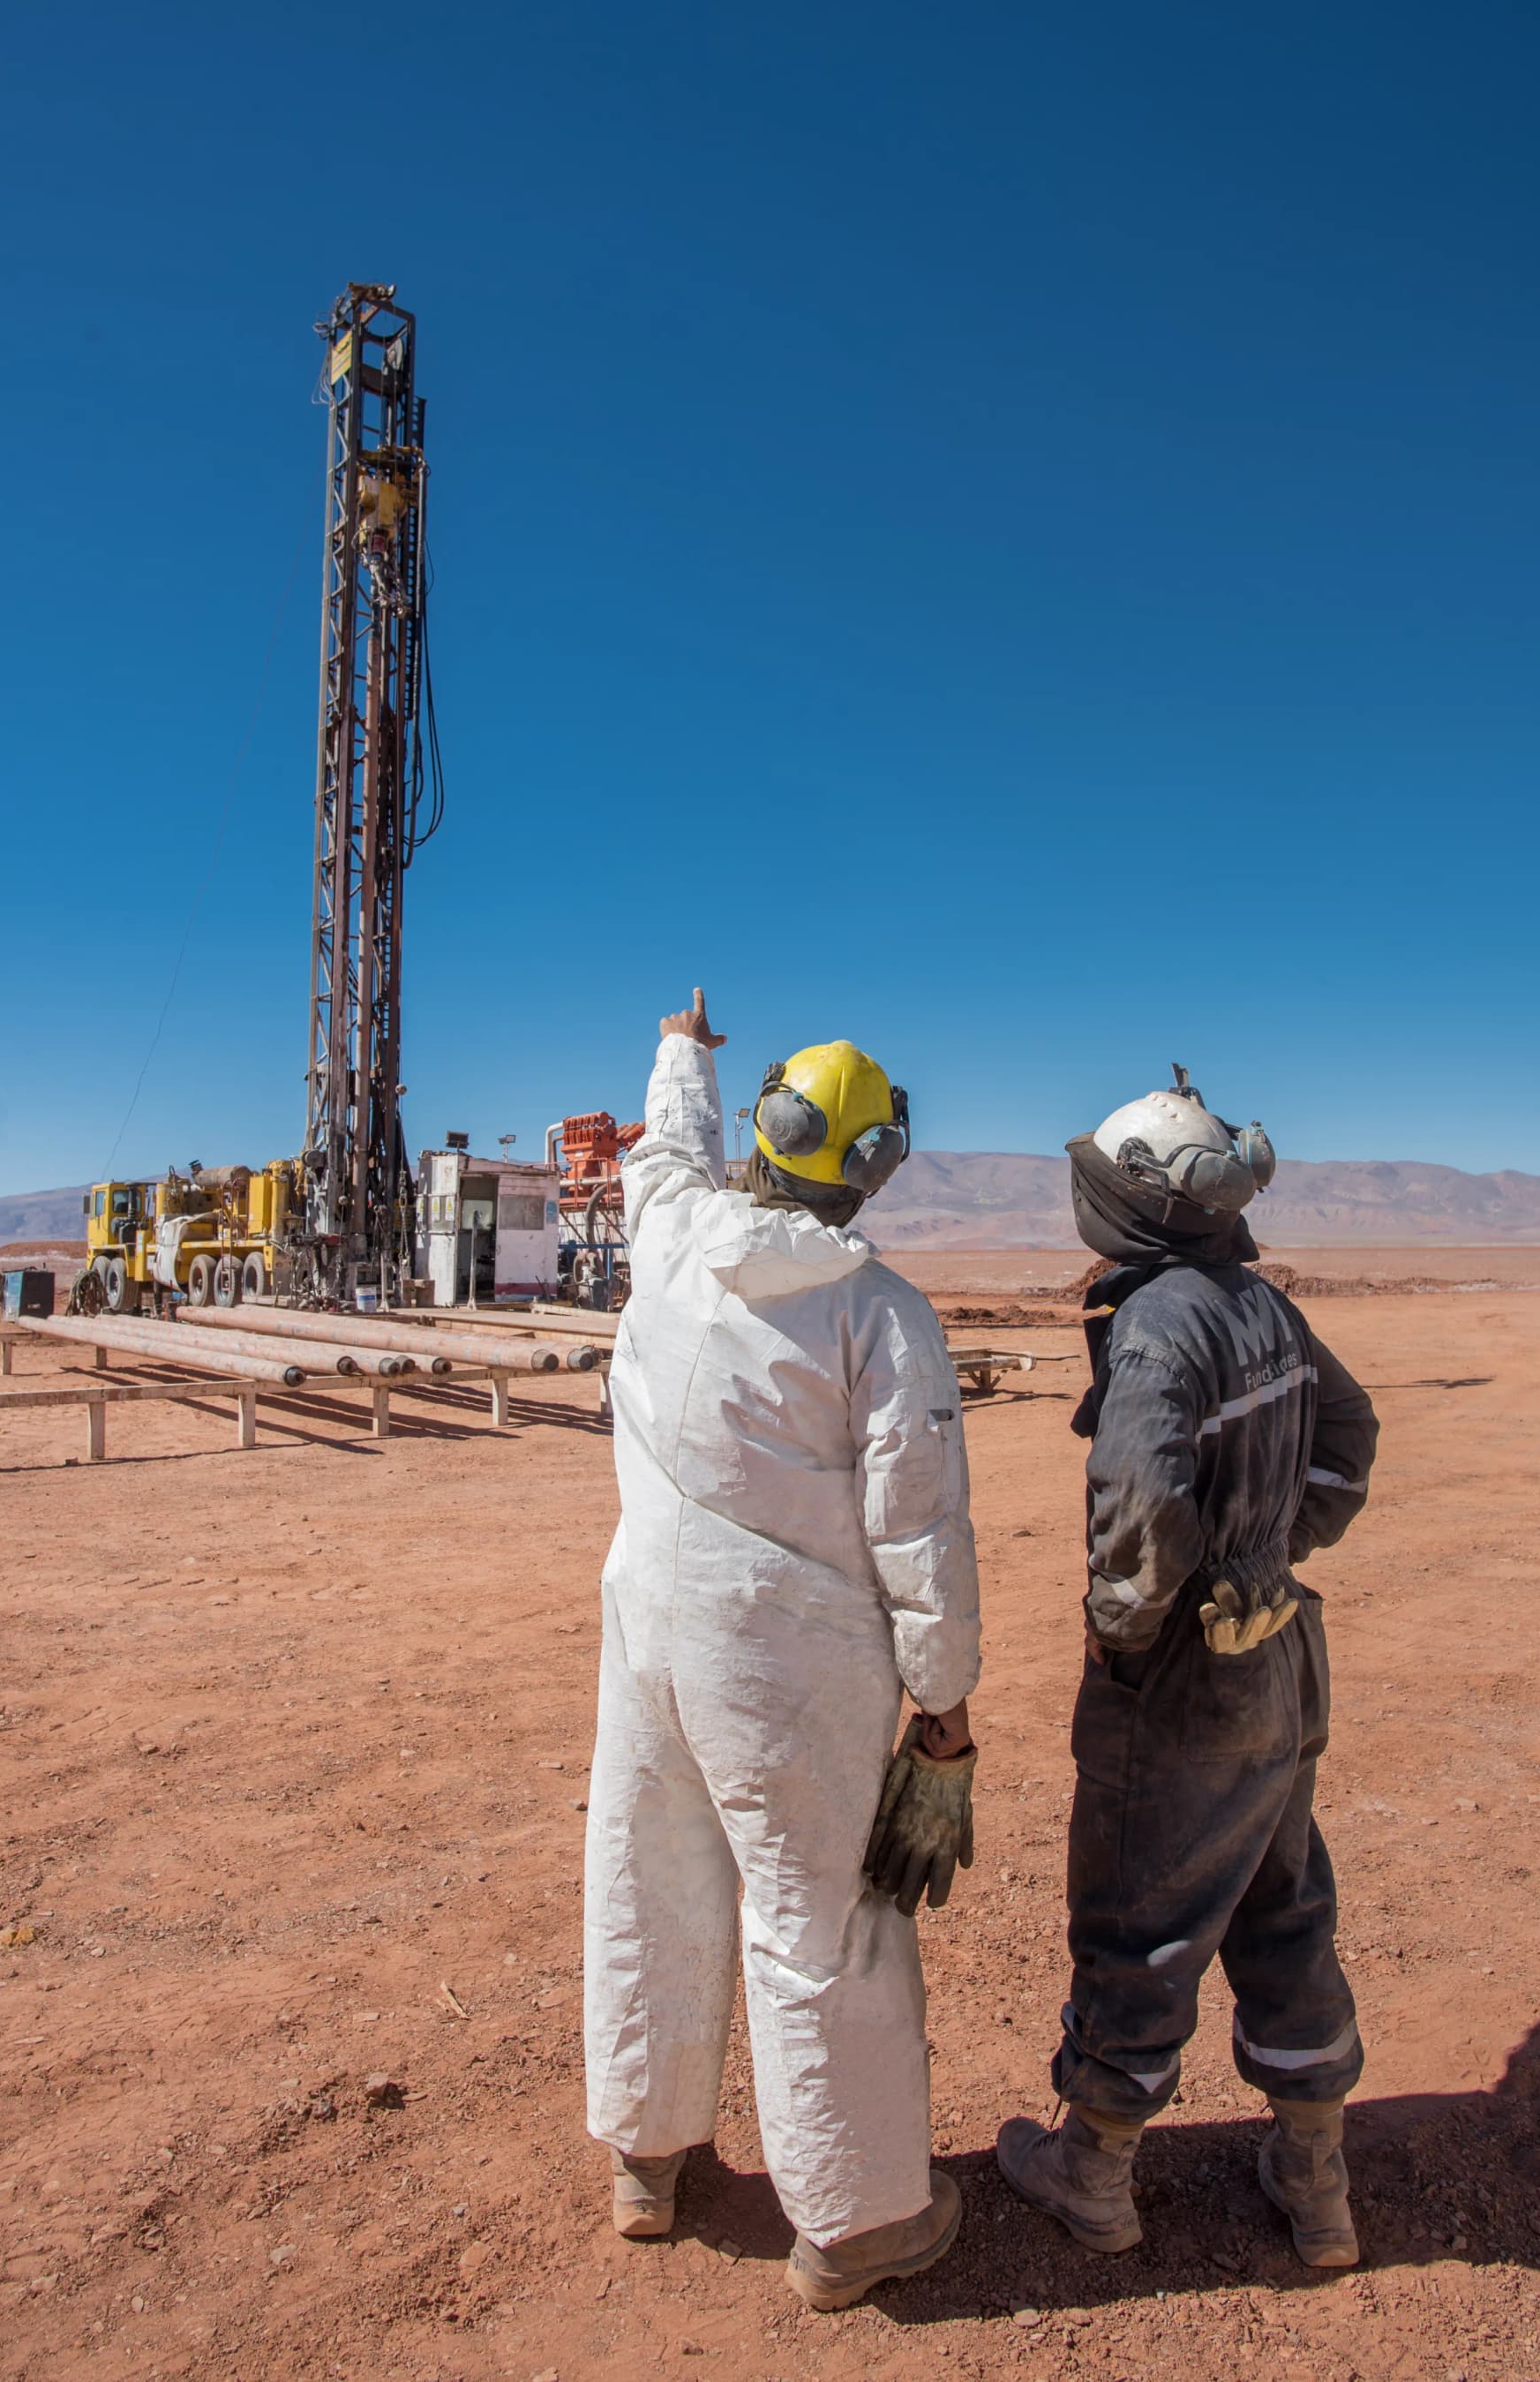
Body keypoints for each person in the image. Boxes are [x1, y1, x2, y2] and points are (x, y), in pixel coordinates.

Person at [583, 991, 982, 2312]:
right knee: (824, 1921)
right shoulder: (879, 1316)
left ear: (763, 1129)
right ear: (876, 1169)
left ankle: (649, 2161)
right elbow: (917, 1529)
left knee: (650, 1875)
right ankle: (857, 2222)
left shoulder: (676, 1235)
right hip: (791, 1659)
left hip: (648, 1624)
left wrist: (680, 1051)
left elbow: (660, 1153)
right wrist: (945, 1710)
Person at [997, 1070, 1378, 2270]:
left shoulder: (1158, 1325)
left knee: (1138, 1911)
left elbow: (1146, 1499)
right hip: (1282, 1663)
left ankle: (1097, 2171)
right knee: (1282, 1898)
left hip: (1182, 1687)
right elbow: (1350, 1437)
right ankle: (1317, 2179)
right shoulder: (1265, 1308)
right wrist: (1274, 1554)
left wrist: (1128, 1628)